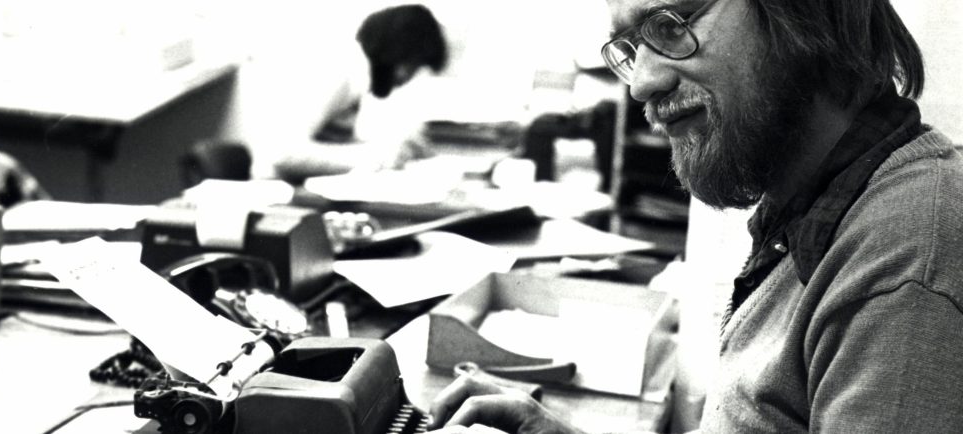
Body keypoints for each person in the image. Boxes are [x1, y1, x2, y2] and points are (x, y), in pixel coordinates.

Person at [426, 0, 963, 432]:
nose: (640, 83)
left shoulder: (905, 267)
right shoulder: (811, 204)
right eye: (630, 48)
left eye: (671, 24)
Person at [236, 4, 448, 183]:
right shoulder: (338, 71)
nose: (406, 78)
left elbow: (326, 140)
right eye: (413, 65)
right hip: (282, 197)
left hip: (300, 191)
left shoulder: (354, 73)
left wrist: (392, 146)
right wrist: (378, 156)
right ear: (399, 52)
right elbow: (282, 153)